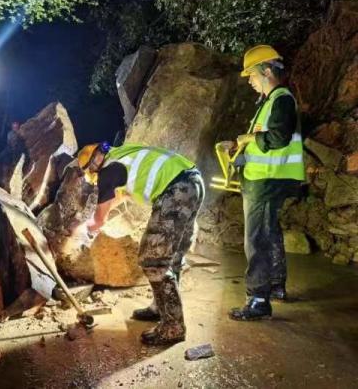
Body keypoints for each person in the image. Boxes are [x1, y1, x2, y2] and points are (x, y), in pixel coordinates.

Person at [77, 142, 204, 345]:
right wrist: (100, 217)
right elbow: (115, 200)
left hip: (176, 190)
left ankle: (173, 327)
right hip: (192, 181)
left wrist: (87, 230)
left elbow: (99, 219)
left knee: (153, 260)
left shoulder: (108, 172)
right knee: (173, 258)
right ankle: (160, 309)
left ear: (93, 163)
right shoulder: (121, 156)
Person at [226, 45, 305, 321]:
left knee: (256, 238)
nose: (249, 81)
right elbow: (267, 139)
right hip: (268, 178)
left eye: (251, 75)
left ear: (267, 71)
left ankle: (258, 300)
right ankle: (275, 286)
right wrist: (240, 146)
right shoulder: (271, 102)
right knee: (269, 232)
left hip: (267, 180)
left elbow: (279, 138)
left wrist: (249, 140)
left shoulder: (280, 99)